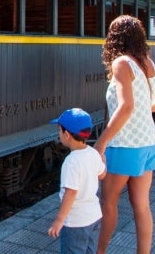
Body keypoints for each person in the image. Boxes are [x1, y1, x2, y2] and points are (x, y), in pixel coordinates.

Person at [94, 15, 155, 254]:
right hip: (149, 142)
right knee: (141, 205)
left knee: (108, 203)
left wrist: (101, 142)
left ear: (115, 38)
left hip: (125, 144)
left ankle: (100, 252)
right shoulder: (147, 63)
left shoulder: (121, 64)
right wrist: (144, 107)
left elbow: (125, 106)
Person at [48, 108, 106, 254]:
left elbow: (71, 193)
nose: (59, 134)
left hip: (76, 222)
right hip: (94, 216)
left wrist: (59, 220)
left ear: (66, 134)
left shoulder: (71, 162)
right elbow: (102, 175)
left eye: (59, 130)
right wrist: (103, 161)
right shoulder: (93, 153)